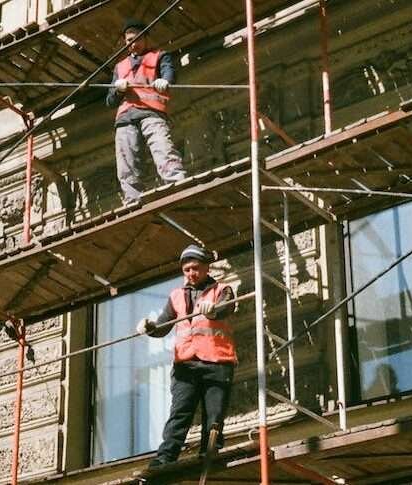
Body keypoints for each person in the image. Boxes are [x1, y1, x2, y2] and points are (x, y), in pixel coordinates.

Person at [135, 244, 238, 467]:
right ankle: (165, 458)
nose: (191, 273)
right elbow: (164, 325)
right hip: (186, 364)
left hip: (217, 362)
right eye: (187, 269)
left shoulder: (222, 289)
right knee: (180, 413)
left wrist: (215, 309)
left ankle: (209, 453)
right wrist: (150, 327)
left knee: (214, 415)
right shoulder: (176, 296)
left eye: (195, 268)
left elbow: (227, 306)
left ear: (206, 267)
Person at [105, 18, 186, 204]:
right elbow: (110, 101)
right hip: (126, 117)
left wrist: (165, 81)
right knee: (126, 160)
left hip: (151, 112)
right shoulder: (120, 66)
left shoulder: (159, 56)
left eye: (137, 38)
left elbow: (169, 73)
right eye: (128, 41)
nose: (133, 44)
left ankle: (175, 179)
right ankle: (132, 197)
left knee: (162, 147)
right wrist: (118, 90)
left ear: (146, 37)